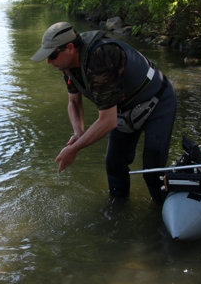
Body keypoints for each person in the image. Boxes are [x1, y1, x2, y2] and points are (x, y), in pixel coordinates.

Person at [30, 22, 177, 204]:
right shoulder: (68, 66)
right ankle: (117, 213)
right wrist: (78, 133)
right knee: (114, 164)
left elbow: (108, 121)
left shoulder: (101, 57)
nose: (49, 62)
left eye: (52, 55)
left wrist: (74, 149)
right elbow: (74, 103)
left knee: (151, 169)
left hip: (157, 102)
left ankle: (162, 212)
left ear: (70, 48)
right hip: (125, 110)